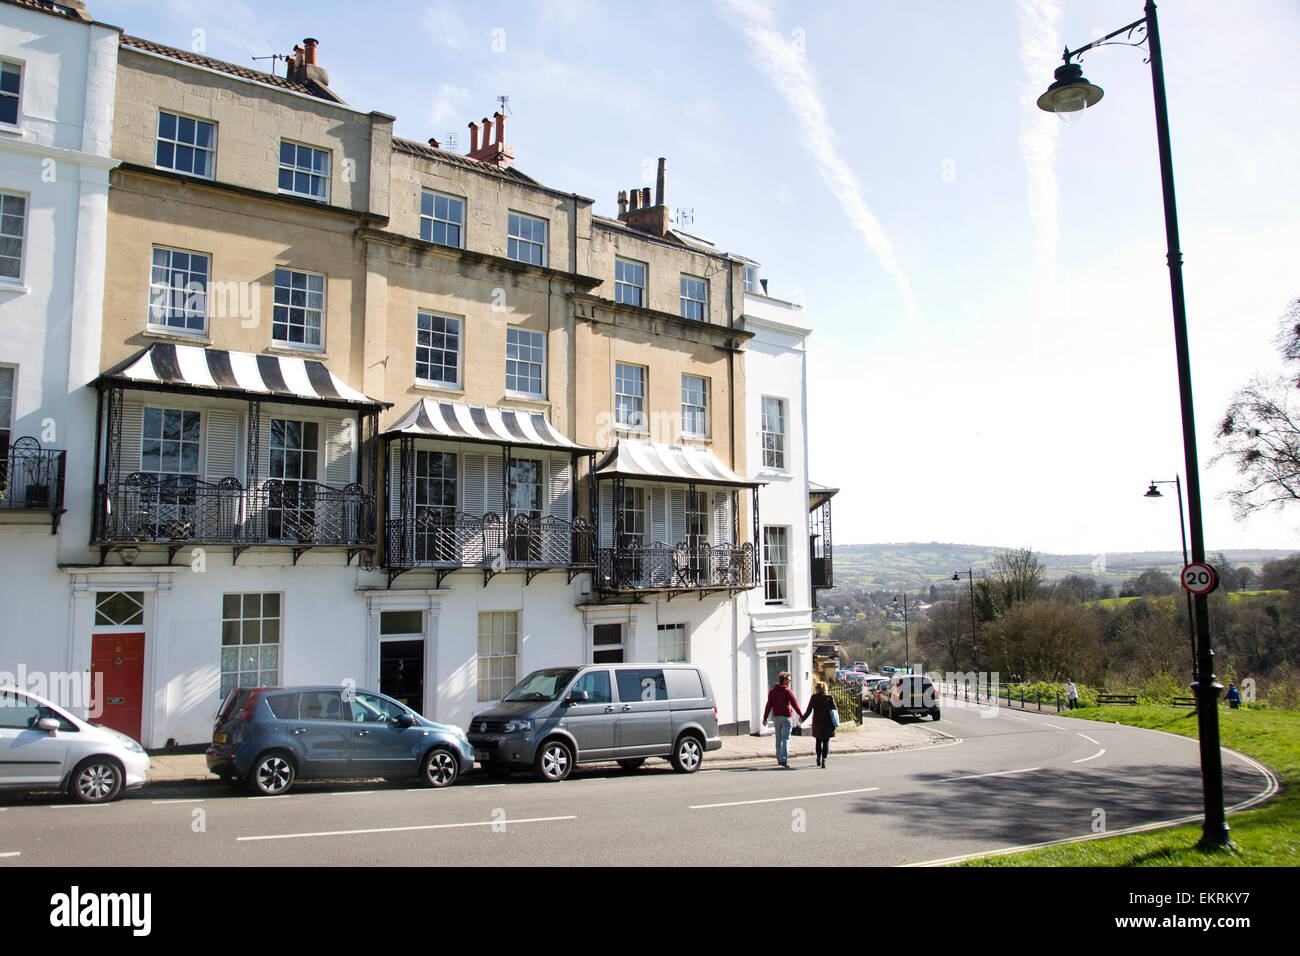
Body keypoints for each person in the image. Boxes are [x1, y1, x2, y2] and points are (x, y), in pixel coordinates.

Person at [763, 671, 804, 768]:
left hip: (776, 718)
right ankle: (784, 759)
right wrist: (800, 715)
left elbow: (768, 705)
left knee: (778, 739)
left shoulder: (772, 691)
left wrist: (765, 718)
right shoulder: (787, 691)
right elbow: (794, 703)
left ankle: (779, 758)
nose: (789, 682)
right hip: (786, 717)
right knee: (785, 739)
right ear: (784, 680)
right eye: (789, 680)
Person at [801, 680, 836, 768]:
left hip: (817, 722)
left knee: (818, 741)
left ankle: (818, 758)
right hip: (827, 722)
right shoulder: (829, 697)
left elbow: (809, 710)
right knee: (826, 741)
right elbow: (835, 710)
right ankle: (824, 759)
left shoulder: (814, 697)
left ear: (817, 689)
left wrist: (803, 719)